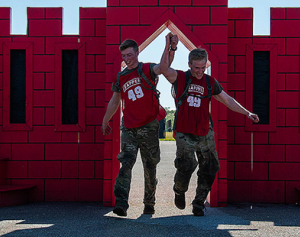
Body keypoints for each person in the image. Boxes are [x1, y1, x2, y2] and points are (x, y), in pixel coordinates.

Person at [159, 33, 259, 216]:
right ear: (189, 64)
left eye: (203, 67)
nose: (200, 71)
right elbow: (164, 69)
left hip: (205, 132)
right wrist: (169, 47)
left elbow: (228, 100)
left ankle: (198, 203)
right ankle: (179, 190)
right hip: (184, 133)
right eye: (196, 67)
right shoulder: (180, 78)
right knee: (187, 165)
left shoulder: (210, 82)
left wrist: (247, 113)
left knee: (210, 166)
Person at [101, 38, 175, 216]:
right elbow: (115, 100)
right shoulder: (121, 77)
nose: (127, 58)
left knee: (150, 165)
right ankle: (121, 203)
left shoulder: (147, 69)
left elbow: (163, 67)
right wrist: (105, 120)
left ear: (137, 52)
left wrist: (169, 47)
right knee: (126, 163)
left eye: (129, 54)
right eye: (124, 56)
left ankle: (149, 202)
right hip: (128, 127)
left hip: (149, 126)